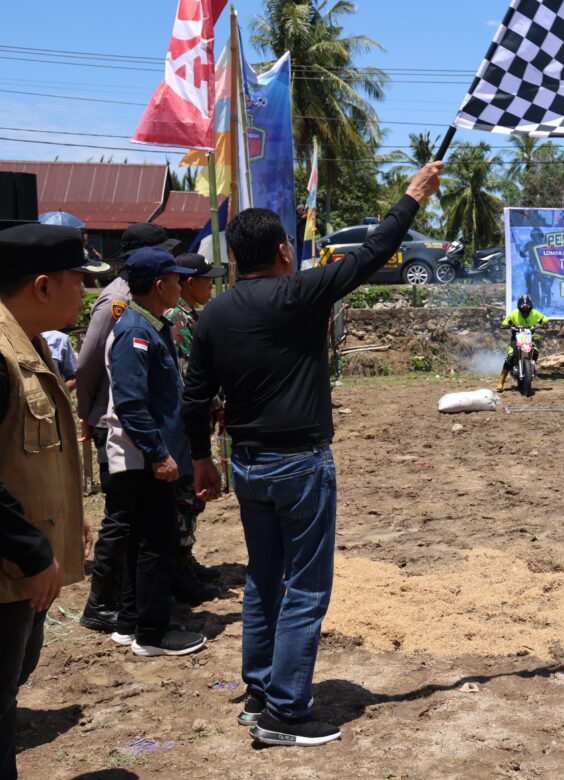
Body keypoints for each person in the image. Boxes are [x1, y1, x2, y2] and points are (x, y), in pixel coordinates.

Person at [182, 162, 442, 746]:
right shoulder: (298, 295)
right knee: (304, 588)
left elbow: (194, 397)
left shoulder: (212, 315)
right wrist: (411, 197)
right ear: (281, 250)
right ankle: (285, 713)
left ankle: (258, 691)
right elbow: (372, 253)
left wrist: (202, 460)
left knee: (262, 581)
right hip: (300, 464)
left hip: (244, 463)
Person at [0, 223, 105, 779]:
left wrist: (71, 520)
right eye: (78, 282)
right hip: (11, 568)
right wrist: (32, 551)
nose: (85, 294)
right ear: (43, 286)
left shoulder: (30, 343)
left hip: (22, 567)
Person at [77, 222, 178, 634]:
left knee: (137, 527)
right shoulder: (121, 307)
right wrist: (88, 413)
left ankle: (127, 612)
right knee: (128, 523)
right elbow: (88, 364)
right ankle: (105, 604)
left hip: (136, 430)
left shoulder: (149, 316)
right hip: (124, 430)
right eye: (173, 276)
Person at [103, 247, 204, 657]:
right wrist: (159, 454)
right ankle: (152, 633)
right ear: (160, 285)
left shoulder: (148, 325)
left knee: (142, 541)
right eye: (177, 280)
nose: (182, 286)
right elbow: (130, 403)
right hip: (146, 461)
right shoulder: (135, 332)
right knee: (157, 544)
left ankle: (130, 623)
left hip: (149, 456)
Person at [166, 253, 227, 603]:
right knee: (185, 497)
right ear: (190, 283)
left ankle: (186, 562)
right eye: (206, 280)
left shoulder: (190, 317)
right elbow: (191, 377)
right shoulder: (179, 319)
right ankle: (181, 572)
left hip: (195, 419)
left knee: (191, 499)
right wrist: (216, 405)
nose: (211, 286)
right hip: (187, 424)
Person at [496, 294, 549, 392]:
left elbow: (545, 319)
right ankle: (501, 381)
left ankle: (531, 367)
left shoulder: (535, 313)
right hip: (516, 339)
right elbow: (504, 322)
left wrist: (545, 323)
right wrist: (505, 325)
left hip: (530, 338)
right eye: (523, 308)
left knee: (535, 352)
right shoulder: (514, 314)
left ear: (530, 307)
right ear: (519, 307)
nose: (525, 310)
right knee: (510, 357)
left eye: (527, 308)